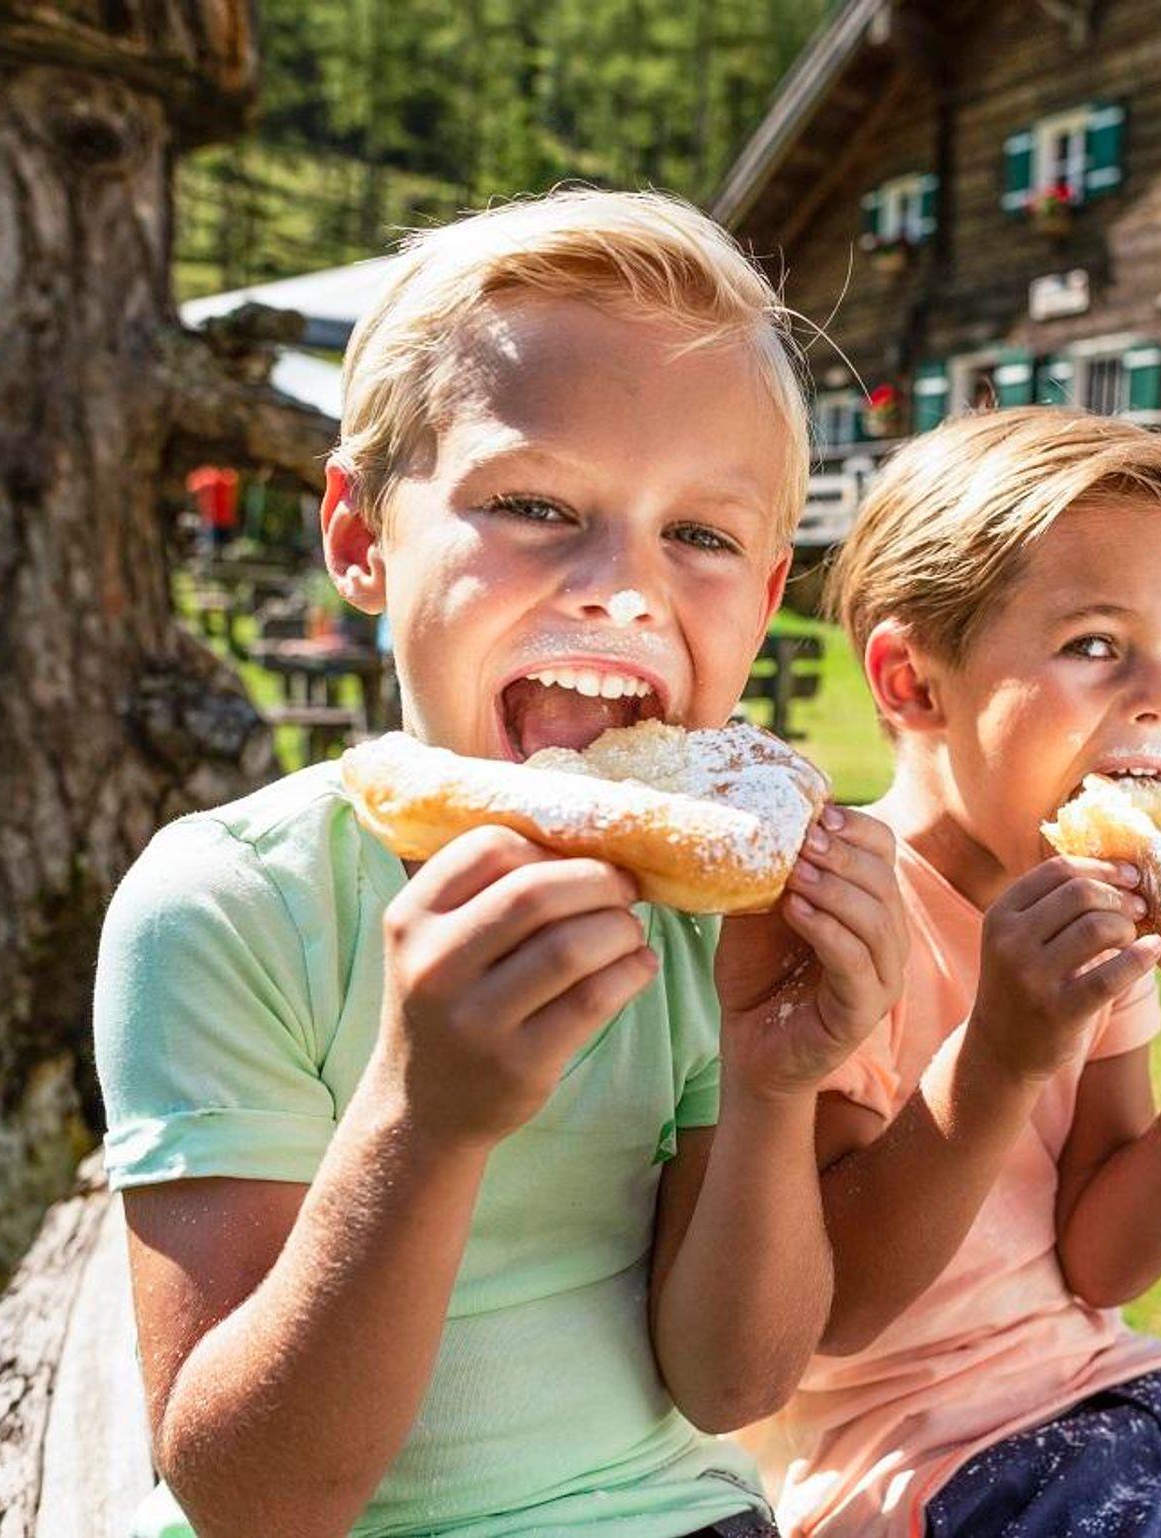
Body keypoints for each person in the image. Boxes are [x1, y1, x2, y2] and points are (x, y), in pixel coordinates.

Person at [93, 189, 905, 1538]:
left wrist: (775, 1083)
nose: (624, 584)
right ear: (360, 535)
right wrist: (425, 1120)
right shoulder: (233, 903)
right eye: (533, 503)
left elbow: (734, 1382)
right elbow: (251, 1497)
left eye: (700, 535)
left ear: (766, 600)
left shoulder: (716, 925)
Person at [739, 408, 1161, 1538]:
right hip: (923, 1462)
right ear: (912, 681)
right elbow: (837, 1309)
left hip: (1134, 1398)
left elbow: (1100, 1265)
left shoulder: (1106, 910)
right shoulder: (838, 910)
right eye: (1096, 643)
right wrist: (999, 1057)